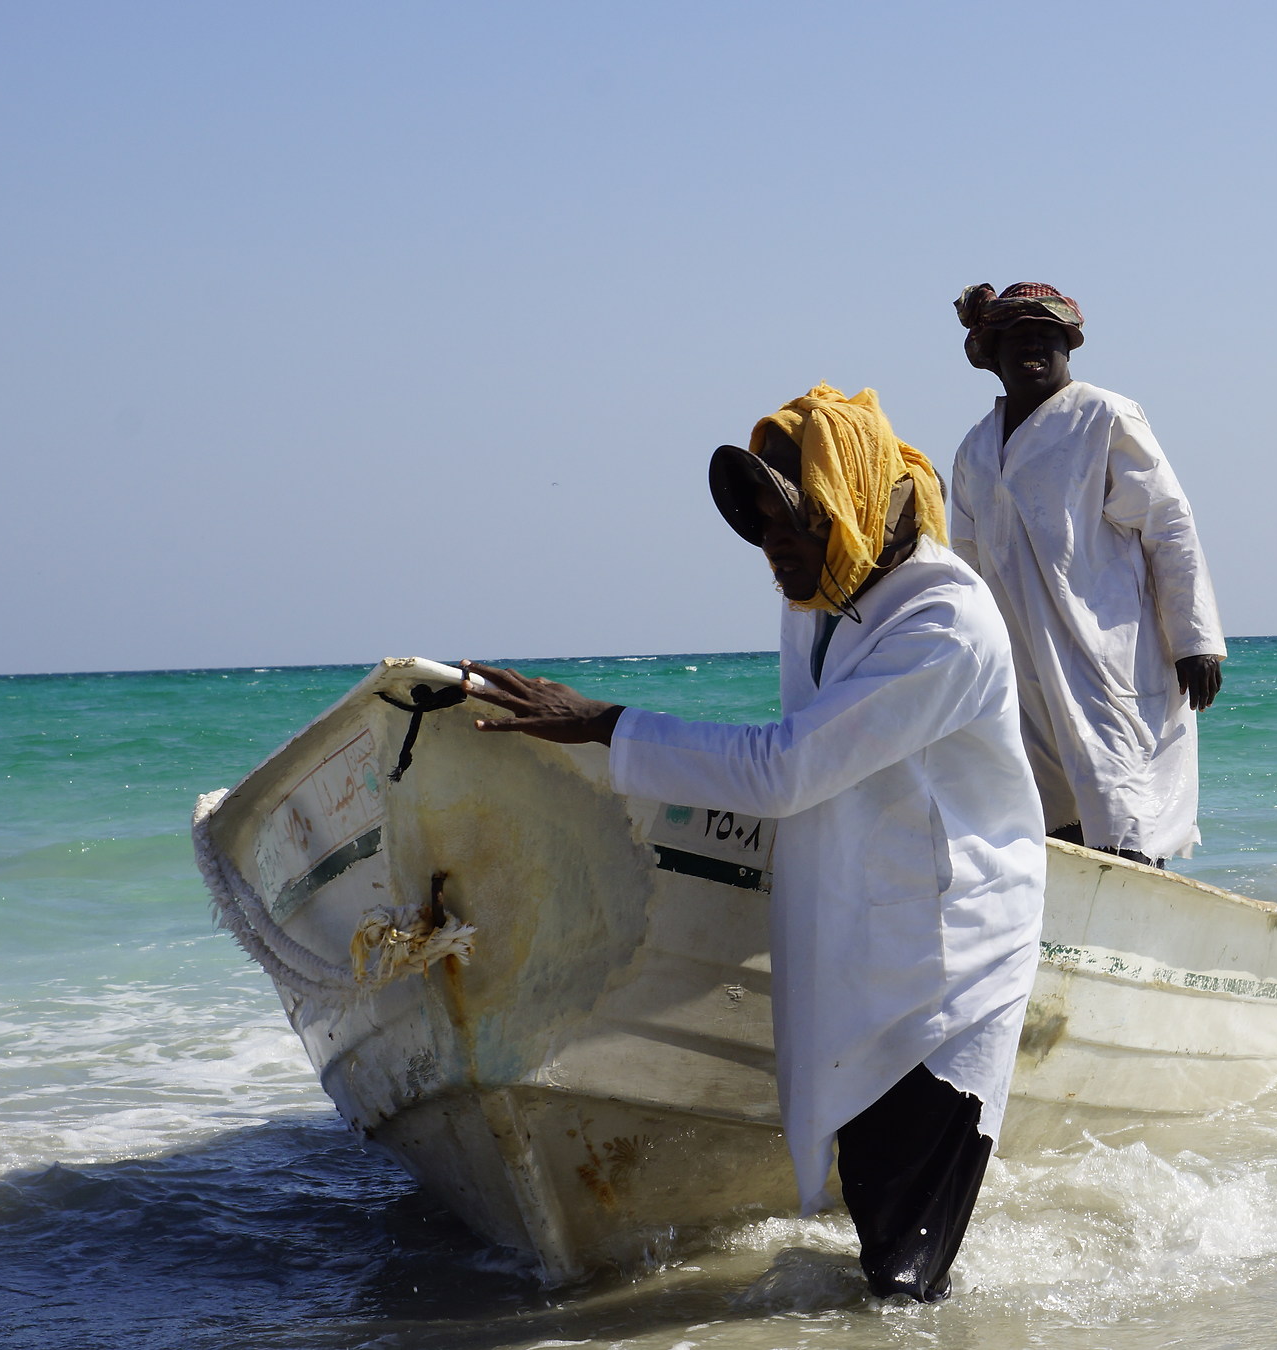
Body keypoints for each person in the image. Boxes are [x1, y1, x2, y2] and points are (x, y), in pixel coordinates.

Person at [458, 384, 1045, 1303]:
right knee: (874, 1223)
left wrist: (604, 726)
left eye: (790, 514)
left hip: (945, 965)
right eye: (758, 518)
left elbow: (783, 770)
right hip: (862, 934)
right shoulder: (820, 591)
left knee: (902, 1272)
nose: (771, 539)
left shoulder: (946, 628)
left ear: (849, 503)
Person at [946, 282, 1225, 868]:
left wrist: (1194, 641)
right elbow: (965, 567)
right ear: (990, 355)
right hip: (1018, 660)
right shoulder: (974, 449)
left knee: (1121, 805)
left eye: (1048, 337)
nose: (1035, 348)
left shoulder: (1104, 416)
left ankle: (1135, 929)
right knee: (1043, 813)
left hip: (1110, 653)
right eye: (1019, 338)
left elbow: (1169, 526)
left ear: (1069, 347)